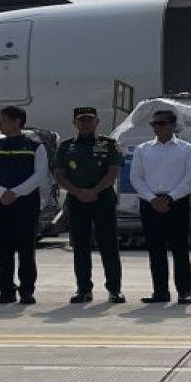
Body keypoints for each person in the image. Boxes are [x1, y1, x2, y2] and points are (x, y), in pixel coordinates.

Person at [53, 107, 125, 304]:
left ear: (97, 122)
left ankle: (114, 289)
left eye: (89, 120)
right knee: (80, 246)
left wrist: (94, 191)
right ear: (74, 123)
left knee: (108, 245)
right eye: (81, 120)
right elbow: (59, 174)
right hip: (77, 200)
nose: (85, 123)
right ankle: (83, 289)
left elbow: (113, 172)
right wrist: (77, 192)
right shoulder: (66, 146)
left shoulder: (109, 144)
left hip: (102, 198)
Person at [0, 105, 48, 305]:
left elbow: (39, 174)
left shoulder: (35, 146)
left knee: (26, 250)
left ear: (17, 121)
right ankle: (6, 290)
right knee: (4, 250)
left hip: (25, 205)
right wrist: (1, 192)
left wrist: (15, 193)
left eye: (2, 120)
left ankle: (27, 290)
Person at [128, 109, 191, 304]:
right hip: (150, 202)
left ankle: (184, 291)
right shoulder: (143, 149)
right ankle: (160, 291)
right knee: (155, 249)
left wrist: (170, 198)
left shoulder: (187, 149)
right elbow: (135, 177)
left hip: (177, 202)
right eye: (154, 124)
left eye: (162, 123)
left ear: (173, 125)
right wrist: (152, 198)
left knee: (180, 248)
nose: (157, 127)